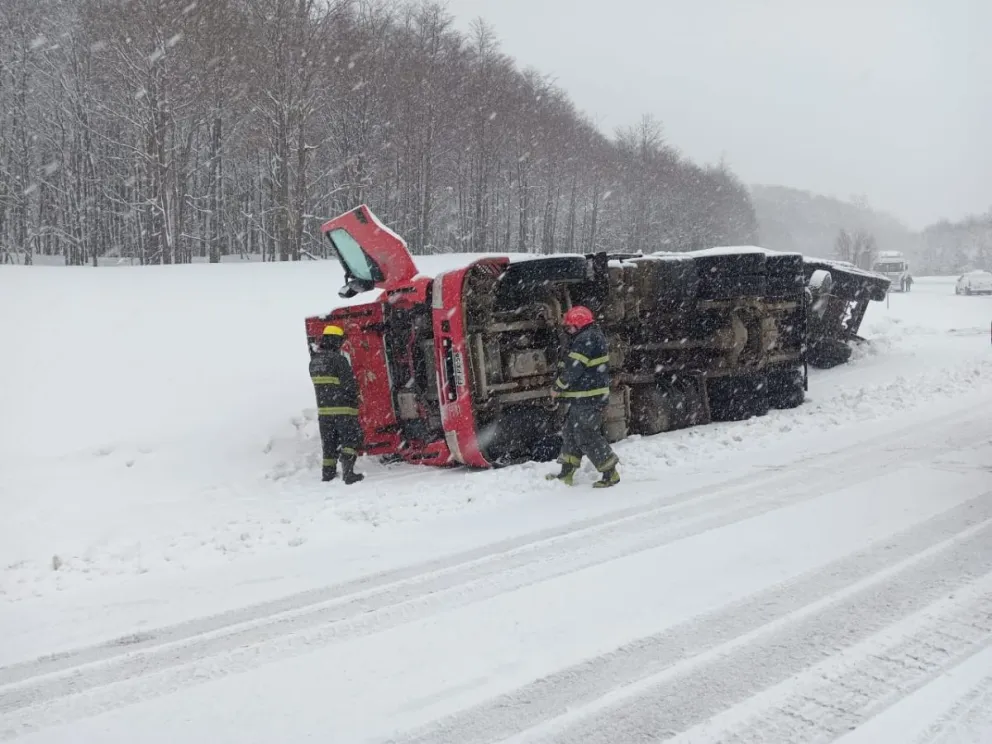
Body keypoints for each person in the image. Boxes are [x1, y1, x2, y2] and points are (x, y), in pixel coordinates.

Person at [545, 305, 620, 488]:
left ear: (579, 324)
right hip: (583, 398)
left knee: (586, 434)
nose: (568, 330)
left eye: (570, 326)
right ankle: (567, 472)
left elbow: (574, 368)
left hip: (589, 398)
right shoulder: (588, 336)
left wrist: (558, 387)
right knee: (570, 432)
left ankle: (610, 473)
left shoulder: (586, 339)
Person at [310, 324, 365, 484]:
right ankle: (348, 474)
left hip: (324, 412)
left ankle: (328, 473)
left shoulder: (314, 362)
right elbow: (348, 384)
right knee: (350, 440)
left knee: (329, 443)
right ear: (335, 341)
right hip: (343, 410)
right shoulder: (339, 360)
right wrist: (355, 397)